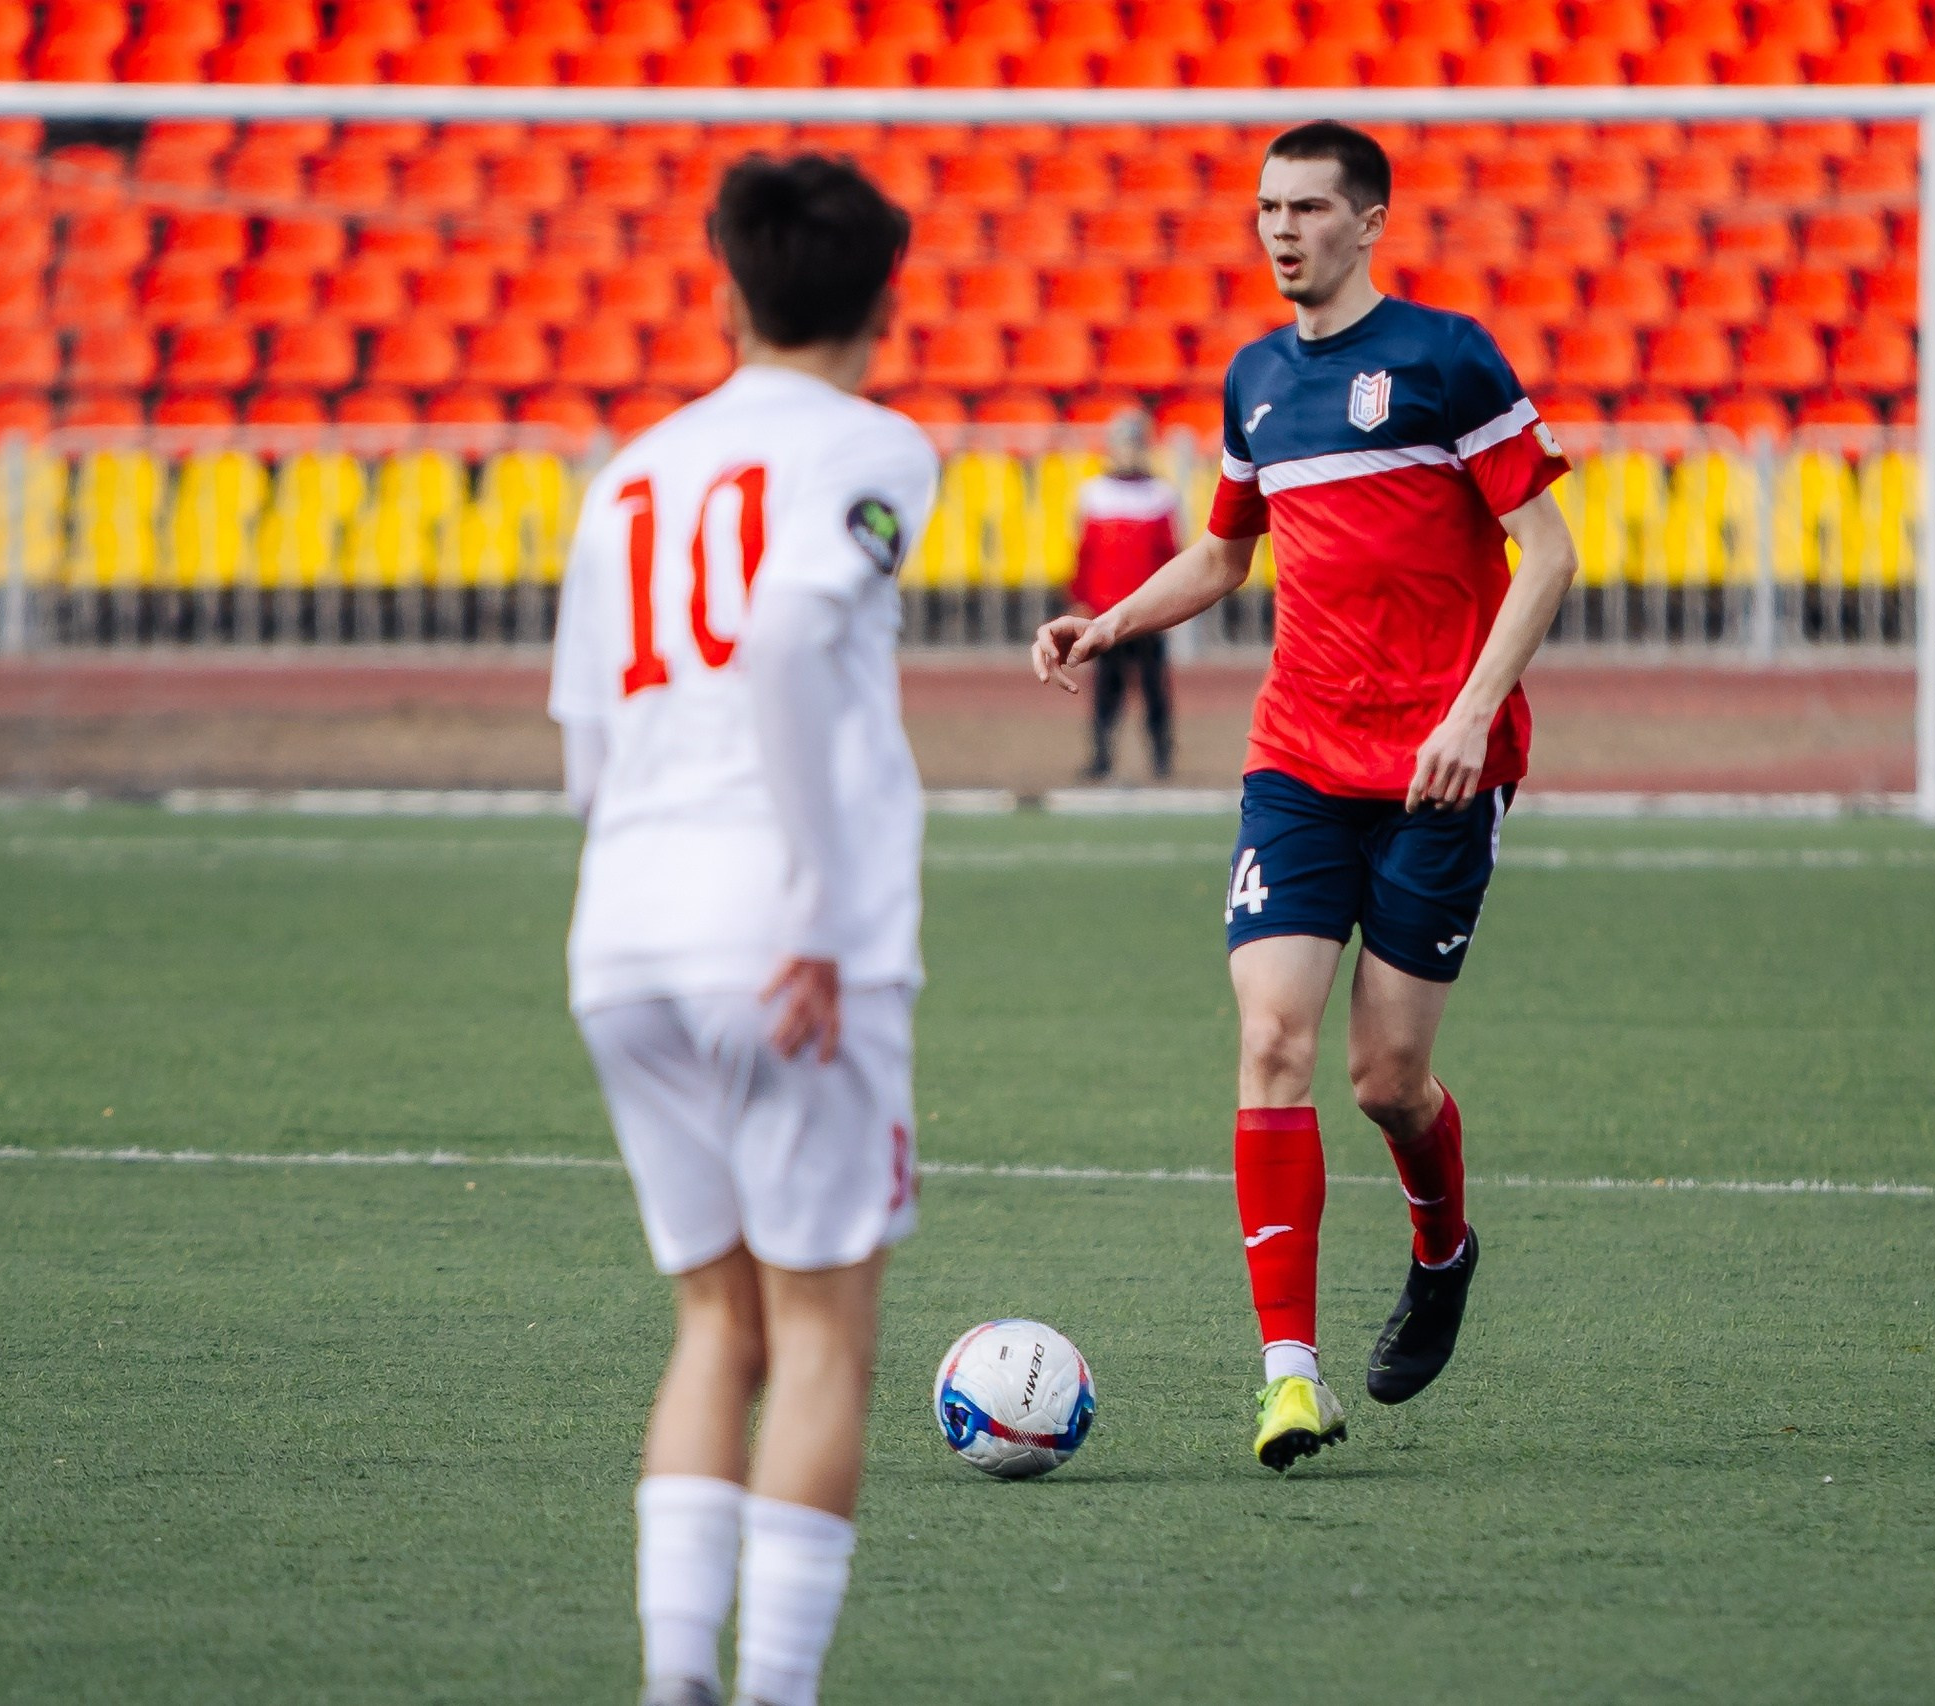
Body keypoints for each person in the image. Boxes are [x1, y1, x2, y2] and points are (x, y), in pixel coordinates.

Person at [1032, 120, 1580, 1472]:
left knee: (1387, 1079)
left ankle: (1441, 1246)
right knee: (1271, 1042)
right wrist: (1108, 623)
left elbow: (1549, 550)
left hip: (1440, 768)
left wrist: (1467, 714)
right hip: (1296, 766)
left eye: (1311, 207)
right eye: (1268, 207)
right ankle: (1290, 1377)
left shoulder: (1448, 361)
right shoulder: (1256, 381)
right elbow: (1223, 556)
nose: (1282, 229)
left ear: (1370, 220)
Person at [549, 155, 938, 1706]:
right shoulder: (877, 445)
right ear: (883, 302)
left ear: (727, 286)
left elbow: (583, 734)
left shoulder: (631, 470)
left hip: (621, 930)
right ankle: (769, 1689)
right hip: (782, 938)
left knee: (715, 1319)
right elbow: (784, 626)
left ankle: (672, 1677)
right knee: (824, 1326)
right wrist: (822, 914)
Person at [1068, 409, 1183, 780]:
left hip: (1148, 611)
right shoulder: (1093, 493)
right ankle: (1101, 755)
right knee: (1106, 687)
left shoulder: (1161, 495)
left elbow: (1170, 555)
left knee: (1154, 687)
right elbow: (1084, 554)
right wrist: (1080, 596)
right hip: (1104, 610)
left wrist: (1170, 605)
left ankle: (1162, 755)